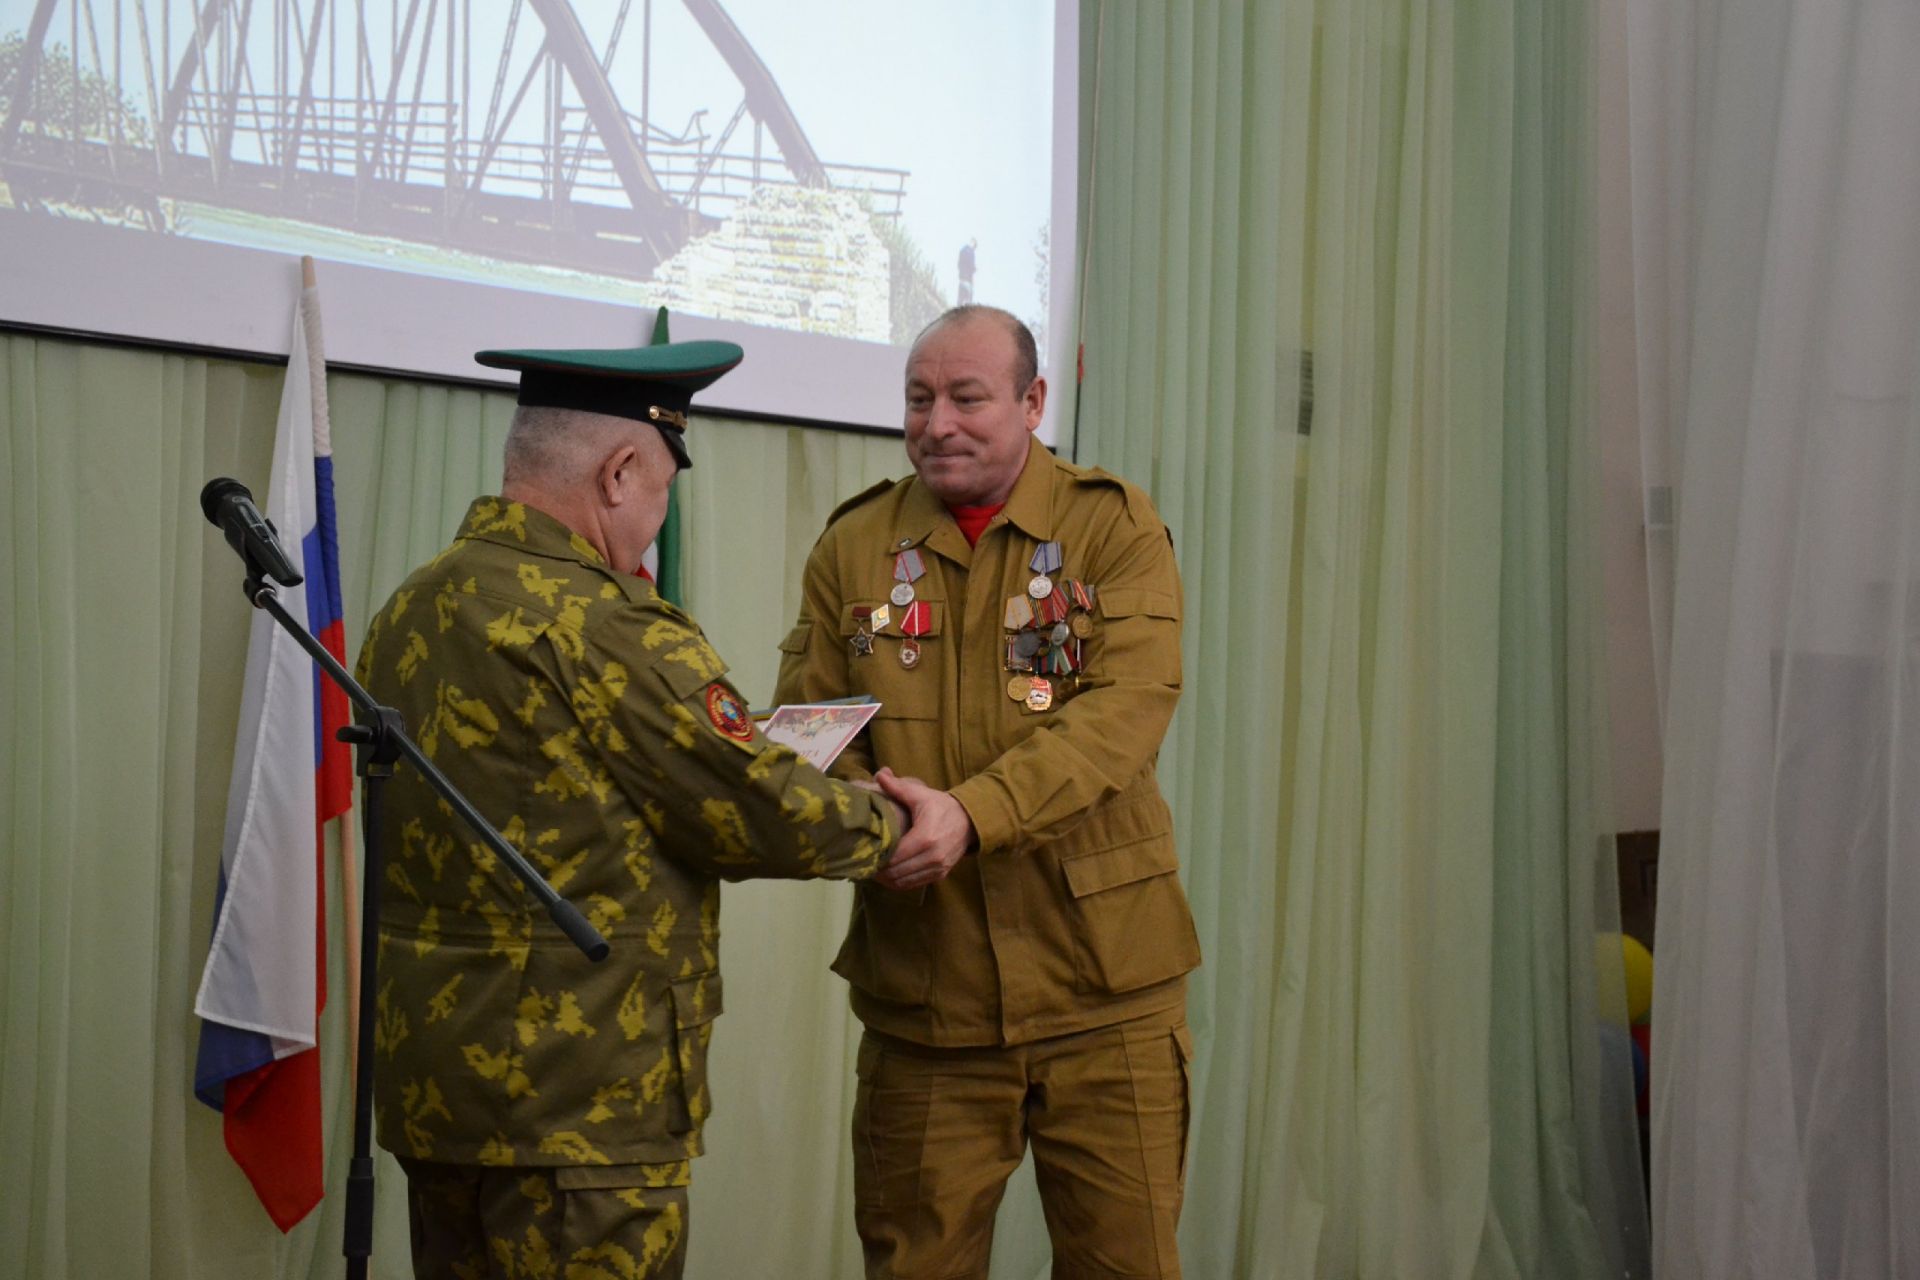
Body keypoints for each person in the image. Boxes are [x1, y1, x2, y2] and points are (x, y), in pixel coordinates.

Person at [355, 313, 906, 1280]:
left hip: (439, 1087)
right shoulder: (610, 628)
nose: (654, 518)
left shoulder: (413, 605)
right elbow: (759, 809)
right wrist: (902, 820)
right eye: (657, 487)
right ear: (617, 474)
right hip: (581, 1108)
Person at [773, 304, 1201, 1278]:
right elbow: (809, 732)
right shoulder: (853, 546)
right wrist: (877, 825)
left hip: (1107, 992)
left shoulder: (1112, 526)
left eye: (968, 397)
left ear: (1033, 401)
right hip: (929, 997)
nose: (937, 422)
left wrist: (972, 813)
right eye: (919, 399)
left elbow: (1127, 710)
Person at [958, 238, 978, 304]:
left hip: (961, 278)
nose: (974, 249)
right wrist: (974, 268)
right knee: (969, 297)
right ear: (973, 244)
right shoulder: (970, 252)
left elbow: (959, 264)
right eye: (974, 247)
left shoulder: (962, 250)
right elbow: (971, 264)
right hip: (967, 280)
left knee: (960, 299)